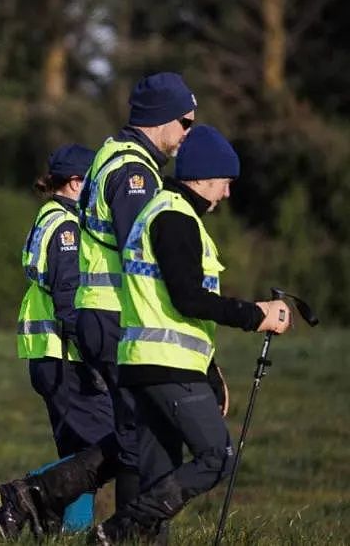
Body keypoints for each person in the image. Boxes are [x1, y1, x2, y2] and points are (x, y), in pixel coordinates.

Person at [0, 72, 198, 538]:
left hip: (71, 346)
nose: (189, 132)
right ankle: (45, 505)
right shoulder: (70, 220)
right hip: (72, 350)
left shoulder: (63, 211)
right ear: (75, 182)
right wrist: (86, 346)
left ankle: (61, 521)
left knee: (108, 440)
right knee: (125, 438)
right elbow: (79, 285)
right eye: (185, 121)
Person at [91, 126, 291, 543]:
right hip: (167, 366)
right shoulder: (175, 217)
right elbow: (188, 299)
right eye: (225, 183)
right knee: (218, 458)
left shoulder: (162, 212)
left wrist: (211, 371)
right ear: (202, 178)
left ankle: (126, 535)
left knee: (157, 475)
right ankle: (118, 529)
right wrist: (255, 314)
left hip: (144, 365)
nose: (227, 194)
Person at [14, 144, 113, 533]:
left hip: (49, 356)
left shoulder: (49, 218)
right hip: (66, 356)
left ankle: (67, 531)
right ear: (75, 183)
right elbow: (69, 299)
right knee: (107, 448)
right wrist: (94, 358)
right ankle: (23, 494)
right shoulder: (68, 228)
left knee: (77, 454)